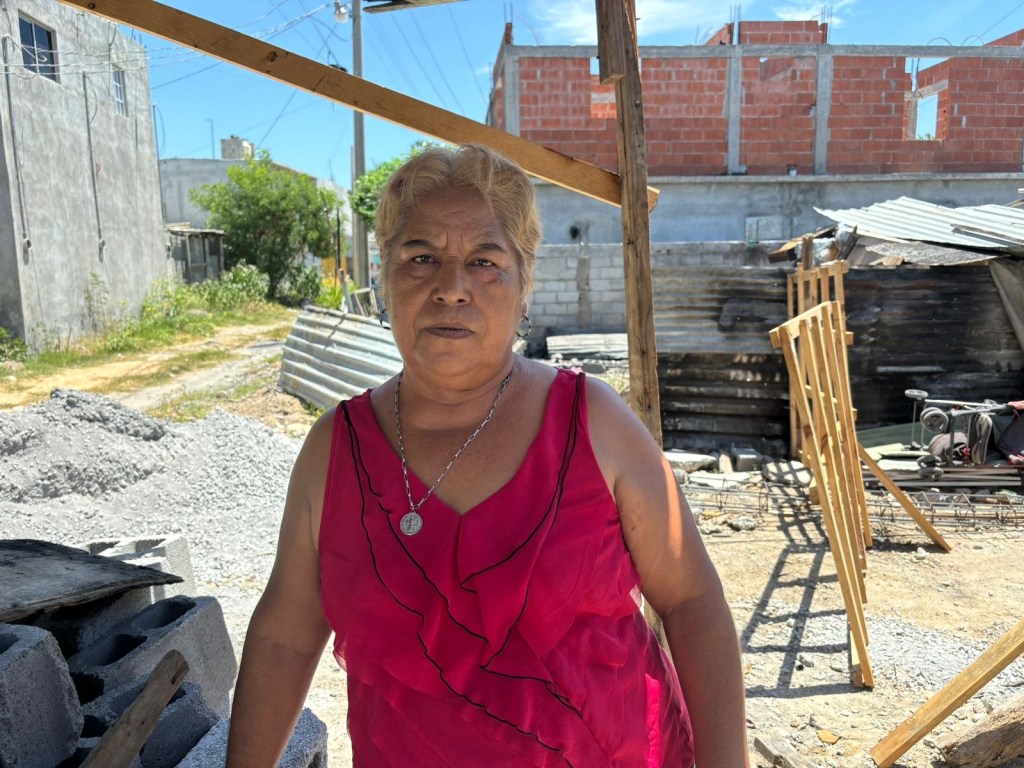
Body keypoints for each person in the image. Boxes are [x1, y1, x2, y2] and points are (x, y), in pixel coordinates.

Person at [226, 144, 749, 767]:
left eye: (484, 260)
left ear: (524, 284)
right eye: (421, 257)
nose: (451, 288)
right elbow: (285, 635)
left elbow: (692, 602)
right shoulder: (334, 452)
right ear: (385, 278)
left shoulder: (594, 424)